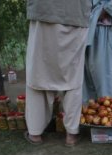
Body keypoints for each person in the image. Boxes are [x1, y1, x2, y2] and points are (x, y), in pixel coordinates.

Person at [24, 0, 91, 146]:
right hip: (76, 13)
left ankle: (35, 134)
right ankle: (71, 136)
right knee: (73, 77)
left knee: (38, 73)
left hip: (44, 11)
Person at [82, 0, 112, 102]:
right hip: (81, 24)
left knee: (103, 77)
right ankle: (87, 114)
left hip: (101, 25)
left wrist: (106, 11)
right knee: (83, 79)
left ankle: (108, 114)